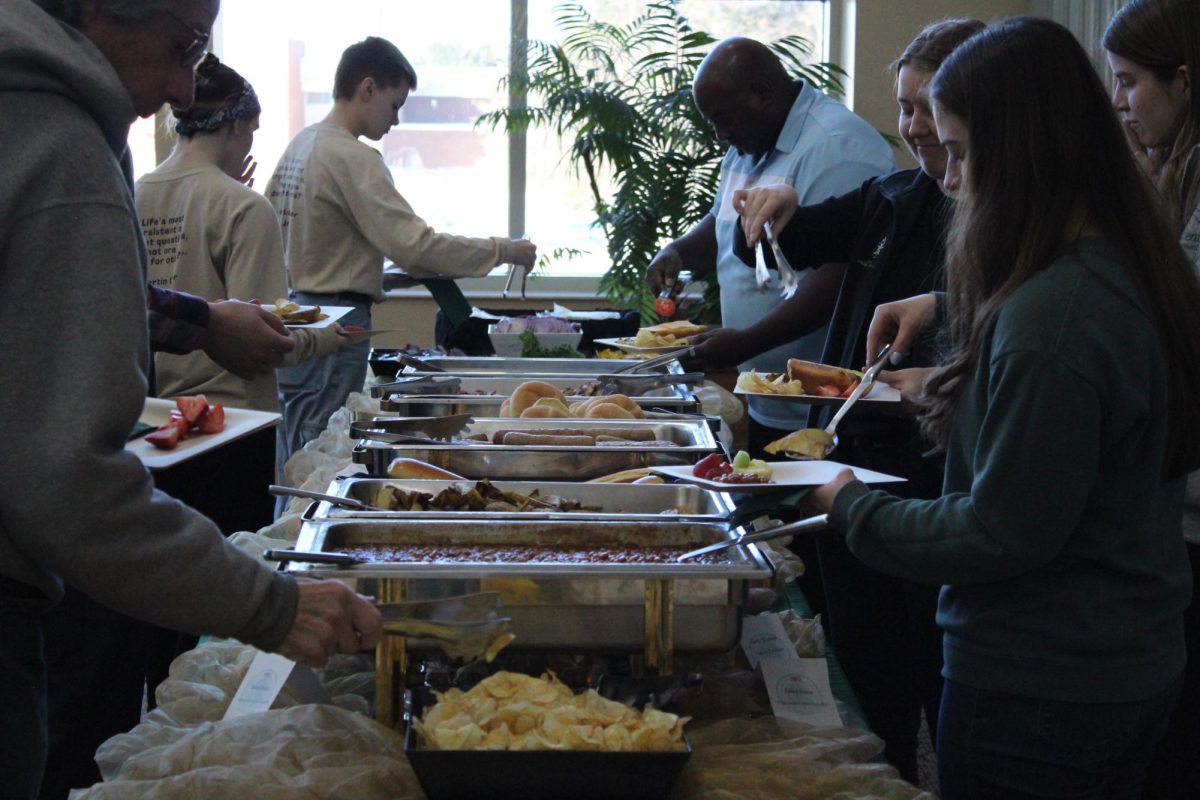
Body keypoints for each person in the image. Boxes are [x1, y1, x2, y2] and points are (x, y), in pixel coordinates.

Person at [809, 17, 1200, 798]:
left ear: (1020, 154)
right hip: (1118, 667)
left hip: (1042, 689)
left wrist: (846, 503)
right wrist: (950, 306)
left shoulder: (1051, 321)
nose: (947, 178)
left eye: (957, 151)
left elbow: (998, 531)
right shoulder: (1125, 261)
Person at [0, 2, 382, 798]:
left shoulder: (105, 165)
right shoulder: (64, 147)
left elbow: (74, 297)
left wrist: (201, 321)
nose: (182, 85)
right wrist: (274, 606)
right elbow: (65, 481)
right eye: (181, 48)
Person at [701, 19, 984, 784]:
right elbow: (803, 235)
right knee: (867, 671)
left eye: (932, 111)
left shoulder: (996, 221)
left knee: (939, 681)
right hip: (854, 461)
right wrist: (783, 199)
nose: (917, 129)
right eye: (907, 109)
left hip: (935, 479)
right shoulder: (897, 193)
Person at [265, 36, 538, 462]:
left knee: (296, 456)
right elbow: (417, 246)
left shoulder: (300, 146)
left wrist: (384, 274)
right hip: (335, 327)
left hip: (294, 319)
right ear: (368, 88)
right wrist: (504, 250)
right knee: (320, 459)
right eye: (394, 105)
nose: (395, 120)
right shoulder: (353, 157)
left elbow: (310, 247)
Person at [645, 36, 895, 453]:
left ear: (760, 92)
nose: (720, 135)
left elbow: (840, 279)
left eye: (723, 120)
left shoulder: (838, 147)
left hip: (824, 410)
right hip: (772, 399)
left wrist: (746, 342)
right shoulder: (751, 141)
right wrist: (679, 250)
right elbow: (724, 226)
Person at [1103, 3, 1200, 796]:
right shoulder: (1172, 168)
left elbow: (1162, 303)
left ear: (1184, 81)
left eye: (1130, 83)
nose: (1121, 103)